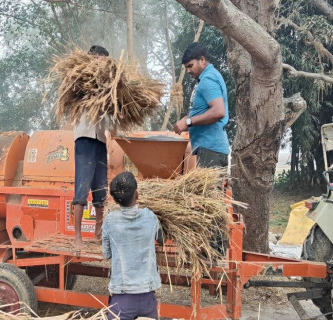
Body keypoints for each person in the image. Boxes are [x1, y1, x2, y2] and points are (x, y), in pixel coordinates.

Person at [102, 172, 162, 320]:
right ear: (137, 194)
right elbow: (160, 238)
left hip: (122, 299)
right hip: (148, 297)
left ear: (115, 200)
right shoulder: (151, 217)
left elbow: (106, 254)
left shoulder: (110, 221)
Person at [72, 45, 114, 247]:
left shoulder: (108, 87)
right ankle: (77, 236)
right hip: (85, 138)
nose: (101, 62)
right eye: (98, 58)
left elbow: (111, 116)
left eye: (104, 59)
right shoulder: (81, 82)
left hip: (100, 140)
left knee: (100, 187)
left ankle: (98, 232)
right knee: (82, 187)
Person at [173, 42, 230, 168]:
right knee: (215, 189)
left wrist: (188, 122)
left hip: (210, 150)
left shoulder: (208, 79)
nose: (188, 71)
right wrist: (186, 119)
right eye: (186, 67)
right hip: (214, 150)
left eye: (190, 66)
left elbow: (218, 111)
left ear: (202, 60)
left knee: (209, 189)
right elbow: (207, 111)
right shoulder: (212, 76)